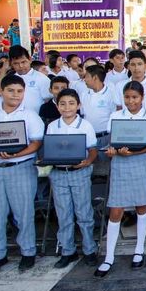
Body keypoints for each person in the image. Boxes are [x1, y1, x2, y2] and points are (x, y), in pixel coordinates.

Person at [0, 74, 44, 273]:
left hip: (20, 168)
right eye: (11, 91)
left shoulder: (30, 116)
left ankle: (28, 252)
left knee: (24, 213)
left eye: (20, 91)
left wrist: (16, 154)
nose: (15, 95)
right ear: (1, 92)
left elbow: (36, 143)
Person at [95, 81, 146, 278]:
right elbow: (111, 142)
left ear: (141, 98)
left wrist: (130, 153)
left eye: (134, 97)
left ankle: (139, 250)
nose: (130, 101)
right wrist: (114, 151)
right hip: (120, 165)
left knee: (142, 206)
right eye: (127, 97)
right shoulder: (115, 116)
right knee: (116, 210)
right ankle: (109, 256)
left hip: (140, 162)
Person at [47, 89, 99, 268]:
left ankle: (89, 249)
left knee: (84, 212)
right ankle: (67, 251)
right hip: (59, 173)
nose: (67, 107)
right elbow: (51, 149)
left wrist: (87, 162)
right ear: (57, 105)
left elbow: (92, 150)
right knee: (63, 214)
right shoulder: (53, 126)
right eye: (62, 103)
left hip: (79, 173)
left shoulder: (85, 125)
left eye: (71, 103)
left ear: (78, 105)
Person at [0, 45, 53, 112]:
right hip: (14, 119)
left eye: (23, 62)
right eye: (16, 63)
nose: (21, 66)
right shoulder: (10, 78)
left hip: (35, 119)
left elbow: (50, 99)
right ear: (10, 63)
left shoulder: (42, 78)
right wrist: (4, 69)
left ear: (30, 59)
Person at [80, 65, 116, 150]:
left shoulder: (111, 94)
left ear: (95, 77)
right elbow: (82, 115)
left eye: (87, 76)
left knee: (104, 163)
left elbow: (114, 118)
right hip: (87, 138)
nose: (84, 79)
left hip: (105, 138)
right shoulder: (84, 94)